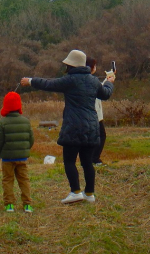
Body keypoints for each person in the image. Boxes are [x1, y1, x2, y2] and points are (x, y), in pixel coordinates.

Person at [20, 49, 114, 204]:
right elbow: (106, 94)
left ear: (71, 65)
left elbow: (48, 84)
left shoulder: (69, 80)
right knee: (87, 162)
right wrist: (110, 83)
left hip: (73, 127)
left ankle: (75, 191)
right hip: (91, 127)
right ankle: (89, 194)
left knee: (69, 161)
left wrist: (30, 80)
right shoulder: (93, 81)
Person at [0, 91, 35, 213]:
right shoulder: (26, 121)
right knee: (24, 180)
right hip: (22, 158)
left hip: (7, 159)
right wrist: (25, 150)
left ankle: (9, 205)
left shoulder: (2, 123)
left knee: (7, 180)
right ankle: (27, 205)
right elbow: (31, 140)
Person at [86, 57, 108, 167]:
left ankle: (92, 158)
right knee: (100, 135)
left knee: (97, 136)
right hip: (94, 114)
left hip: (94, 114)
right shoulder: (90, 80)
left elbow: (100, 88)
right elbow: (102, 91)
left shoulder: (88, 79)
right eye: (94, 65)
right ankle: (94, 158)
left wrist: (108, 80)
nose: (95, 68)